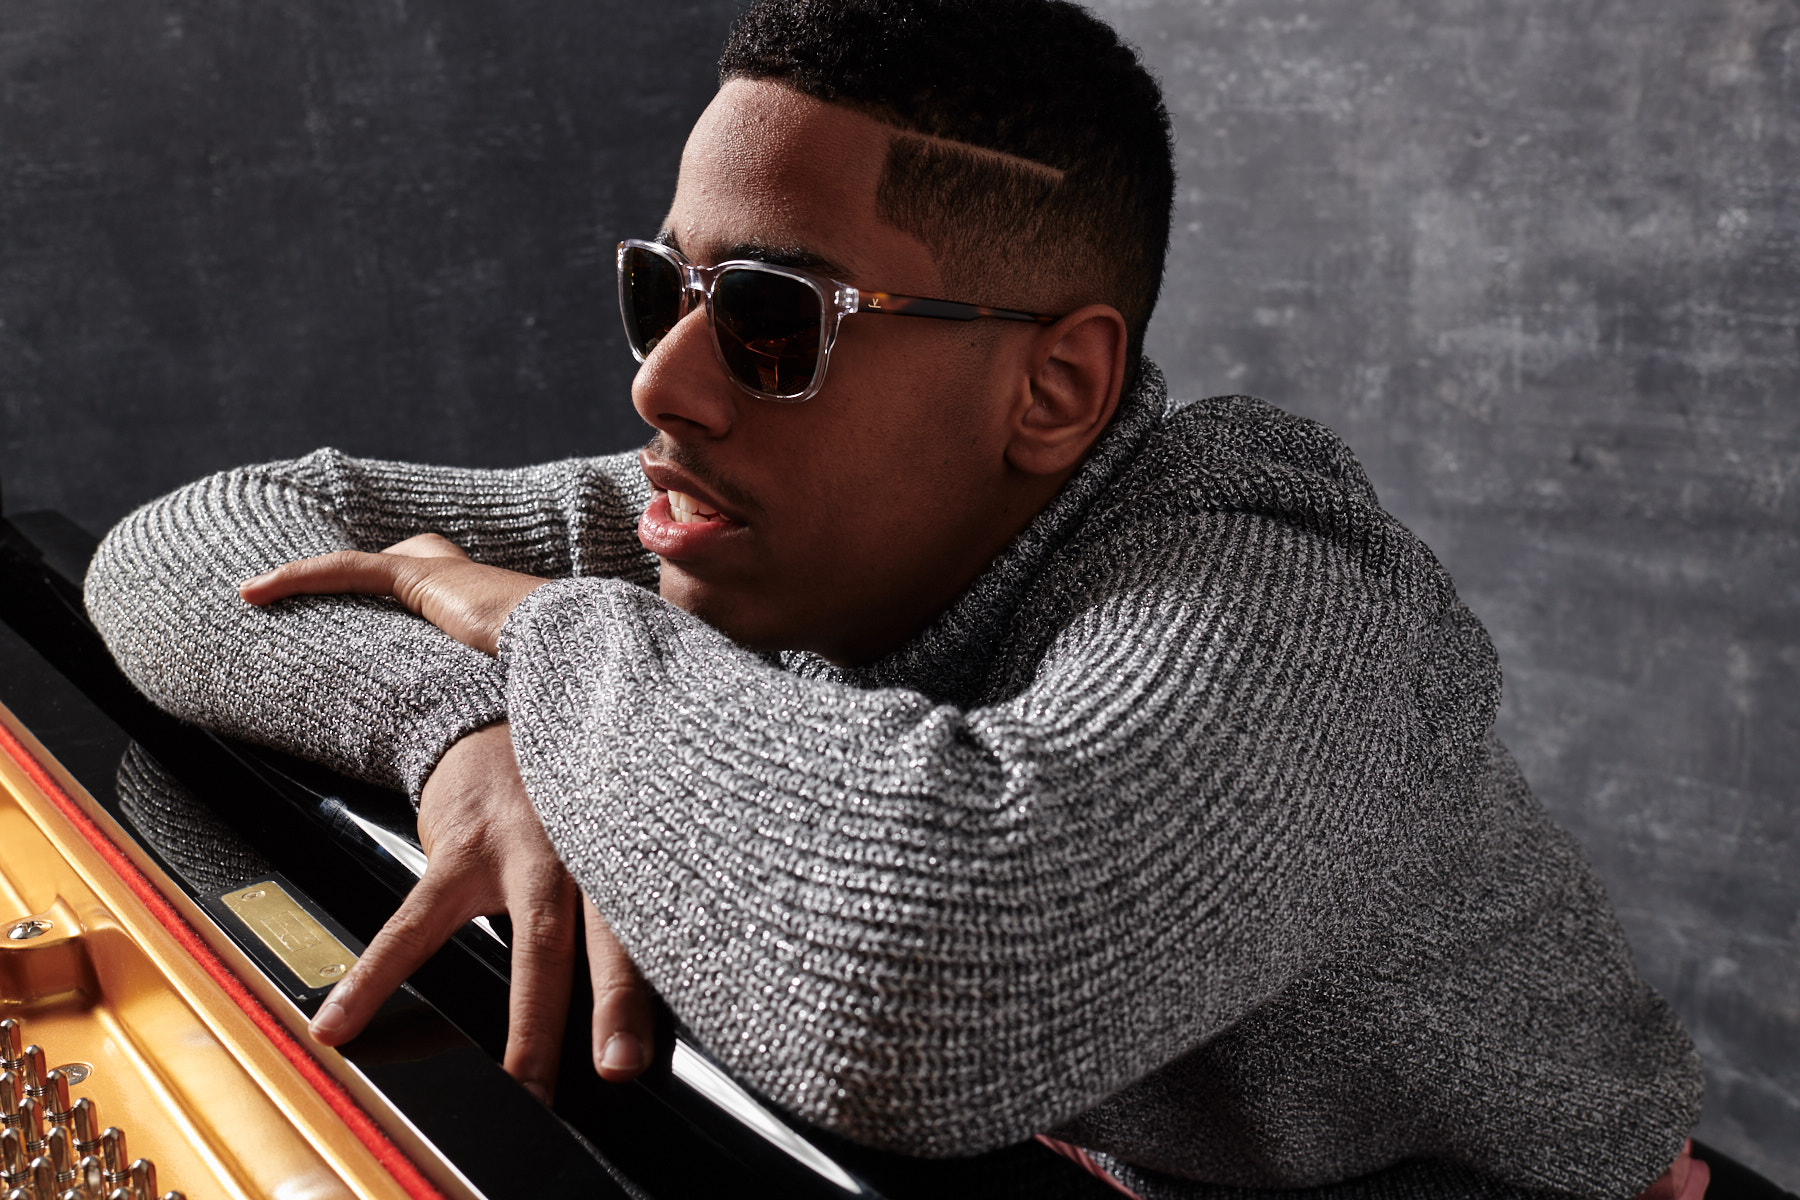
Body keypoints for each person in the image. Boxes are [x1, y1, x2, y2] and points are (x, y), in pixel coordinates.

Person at [83, 1, 1708, 1196]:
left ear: (1057, 388)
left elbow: (921, 983)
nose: (665, 382)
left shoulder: (1287, 594)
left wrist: (538, 633)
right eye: (667, 290)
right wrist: (469, 737)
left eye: (775, 317)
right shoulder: (747, 521)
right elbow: (181, 544)